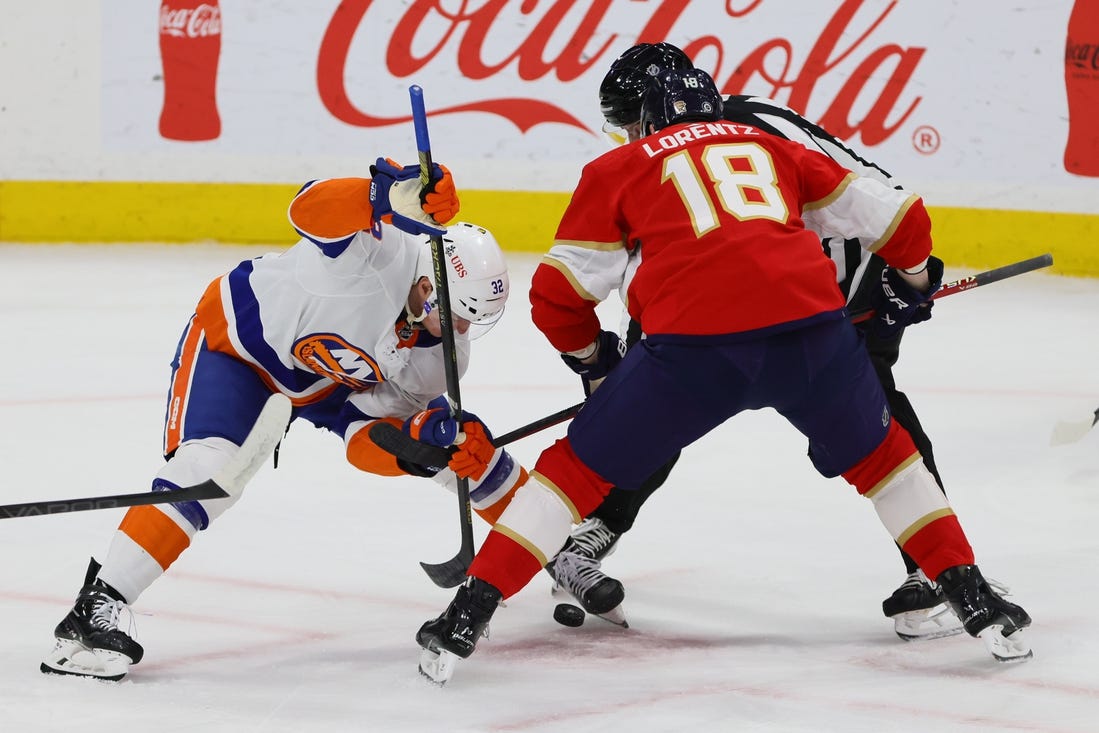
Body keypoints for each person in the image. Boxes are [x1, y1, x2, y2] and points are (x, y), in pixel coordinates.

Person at [414, 67, 1032, 685]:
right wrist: (914, 280)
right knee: (888, 462)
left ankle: (468, 614)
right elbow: (900, 217)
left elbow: (555, 296)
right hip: (812, 331)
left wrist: (597, 364)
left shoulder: (619, 169)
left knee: (573, 471)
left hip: (693, 351)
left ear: (649, 117)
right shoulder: (770, 142)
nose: (625, 134)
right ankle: (974, 599)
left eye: (628, 123)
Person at [40, 158, 529, 681]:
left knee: (457, 450)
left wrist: (413, 446)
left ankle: (552, 543)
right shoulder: (377, 252)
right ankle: (93, 610)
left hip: (328, 383)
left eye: (472, 321)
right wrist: (379, 195)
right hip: (241, 350)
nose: (460, 330)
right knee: (211, 475)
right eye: (457, 313)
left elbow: (363, 437)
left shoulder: (441, 354)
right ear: (430, 285)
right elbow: (306, 208)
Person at [546, 41, 967, 641]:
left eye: (629, 120)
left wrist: (909, 279)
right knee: (656, 393)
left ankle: (935, 571)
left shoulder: (757, 130)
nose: (627, 135)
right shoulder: (666, 152)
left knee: (874, 412)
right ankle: (598, 528)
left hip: (847, 277)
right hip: (764, 284)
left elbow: (875, 198)